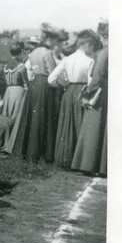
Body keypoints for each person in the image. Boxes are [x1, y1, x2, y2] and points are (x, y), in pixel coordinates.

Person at [49, 30, 101, 169]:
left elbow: (51, 79)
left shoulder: (67, 59)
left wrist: (64, 84)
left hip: (69, 92)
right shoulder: (89, 60)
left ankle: (63, 159)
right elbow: (91, 82)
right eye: (92, 46)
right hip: (83, 91)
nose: (92, 49)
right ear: (87, 44)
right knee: (81, 123)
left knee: (67, 124)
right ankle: (78, 161)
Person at [12, 28, 59, 163]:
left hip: (34, 84)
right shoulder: (47, 52)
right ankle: (43, 153)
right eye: (53, 40)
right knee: (44, 116)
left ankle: (28, 151)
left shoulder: (32, 53)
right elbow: (52, 71)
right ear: (48, 40)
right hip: (44, 84)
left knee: (33, 117)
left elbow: (30, 72)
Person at [71, 23, 108, 176]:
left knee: (92, 128)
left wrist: (87, 92)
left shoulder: (104, 53)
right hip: (106, 93)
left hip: (99, 95)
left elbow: (97, 77)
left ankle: (88, 165)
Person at [1, 41, 29, 146]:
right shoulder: (21, 66)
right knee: (15, 116)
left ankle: (4, 141)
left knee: (6, 116)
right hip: (18, 91)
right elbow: (26, 83)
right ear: (21, 51)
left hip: (8, 92)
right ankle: (11, 144)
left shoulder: (6, 65)